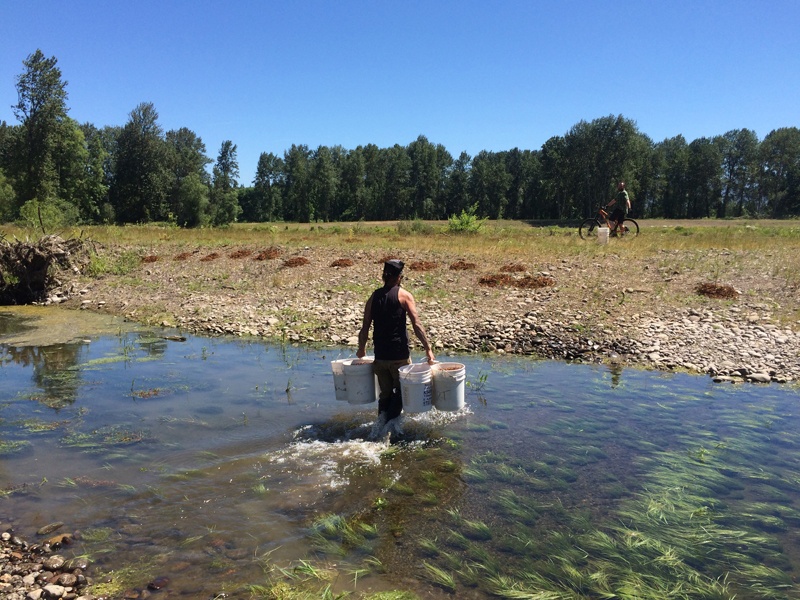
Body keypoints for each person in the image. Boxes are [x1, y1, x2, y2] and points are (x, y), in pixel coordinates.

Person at [357, 259, 435, 423]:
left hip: (380, 357)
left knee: (384, 394)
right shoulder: (404, 296)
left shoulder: (374, 297)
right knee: (400, 393)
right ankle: (390, 430)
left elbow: (365, 328)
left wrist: (362, 349)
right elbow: (417, 324)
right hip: (399, 356)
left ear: (384, 277)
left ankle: (380, 425)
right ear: (399, 277)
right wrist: (428, 349)